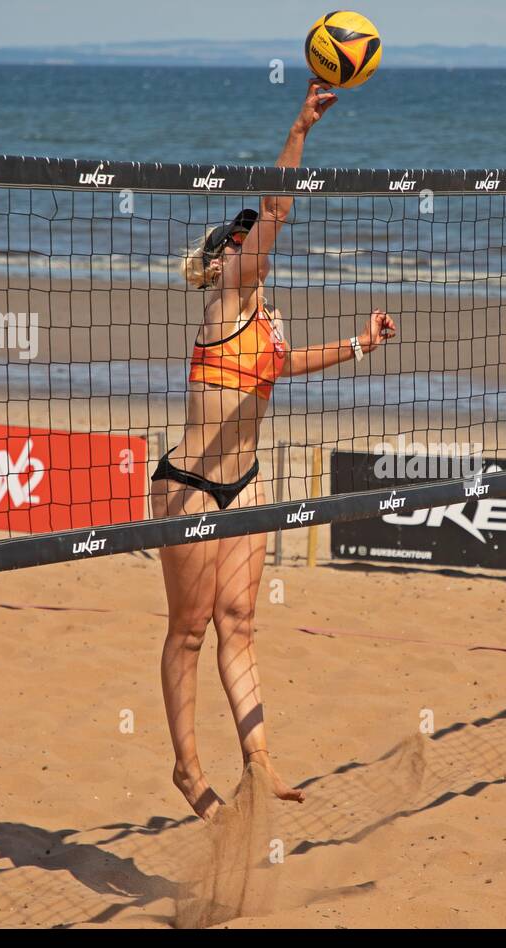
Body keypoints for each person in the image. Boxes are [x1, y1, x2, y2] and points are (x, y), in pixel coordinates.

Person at [150, 79, 398, 821]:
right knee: (188, 632)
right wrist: (300, 130)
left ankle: (258, 761)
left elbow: (280, 367)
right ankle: (189, 772)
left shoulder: (264, 323)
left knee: (242, 626)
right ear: (231, 252)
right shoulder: (226, 295)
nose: (261, 247)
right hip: (189, 485)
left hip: (245, 485)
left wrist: (359, 342)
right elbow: (279, 209)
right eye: (249, 238)